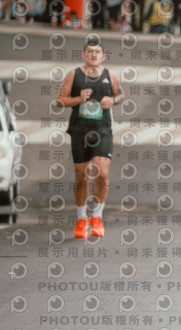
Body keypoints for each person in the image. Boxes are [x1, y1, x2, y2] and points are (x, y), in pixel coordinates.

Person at [56, 36, 124, 238]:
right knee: (81, 176)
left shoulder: (111, 76)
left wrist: (113, 101)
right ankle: (81, 219)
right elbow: (59, 101)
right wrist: (79, 99)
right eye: (90, 52)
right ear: (84, 54)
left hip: (103, 129)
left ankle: (97, 217)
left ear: (103, 56)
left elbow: (121, 95)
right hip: (80, 130)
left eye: (97, 52)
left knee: (102, 173)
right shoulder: (74, 75)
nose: (93, 55)